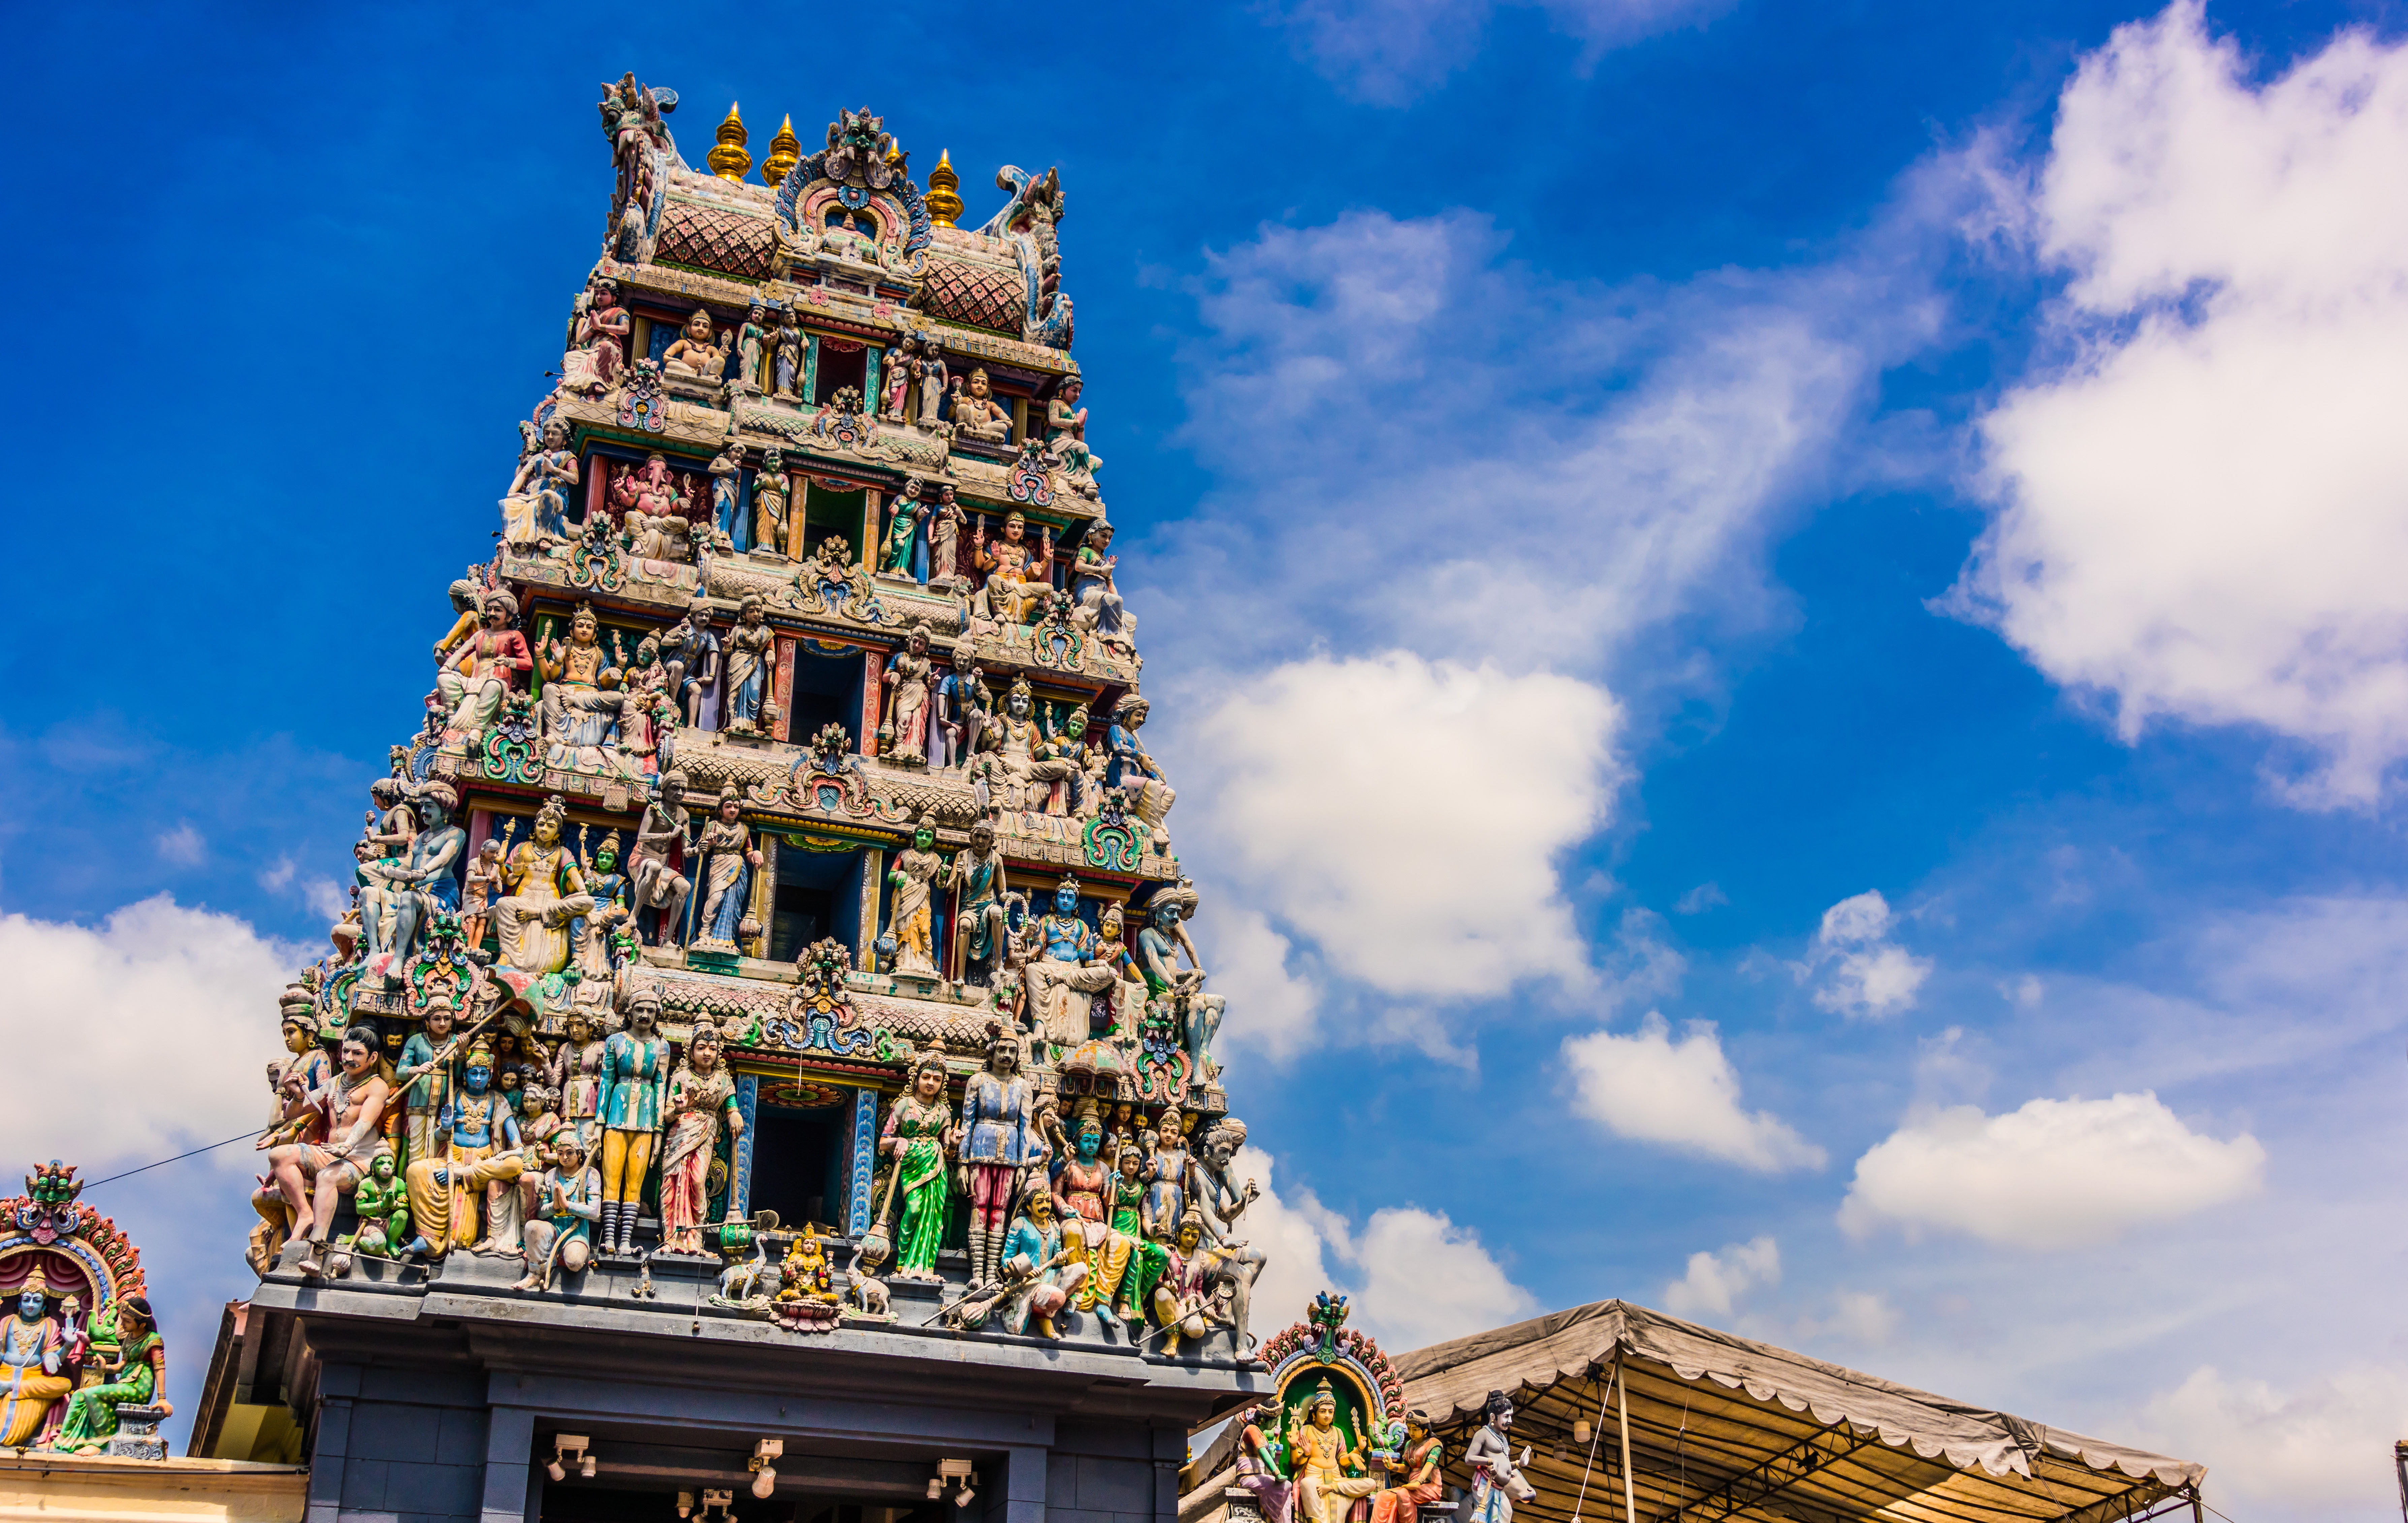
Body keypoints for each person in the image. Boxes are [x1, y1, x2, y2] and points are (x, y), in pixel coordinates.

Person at [265, 1025, 391, 1260]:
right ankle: (305, 1214)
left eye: (357, 1054)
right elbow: (293, 1113)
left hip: (359, 1159)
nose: (348, 1058)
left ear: (373, 1058)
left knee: (327, 1177)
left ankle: (317, 1244)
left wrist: (347, 1146)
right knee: (279, 1156)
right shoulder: (335, 1083)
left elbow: (365, 1122)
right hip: (330, 1153)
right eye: (346, 1052)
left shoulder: (377, 1087)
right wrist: (298, 1094)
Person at [956, 1026, 1045, 1286]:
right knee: (979, 1209)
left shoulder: (1023, 1087)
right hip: (979, 1153)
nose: (1007, 1055)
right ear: (992, 1052)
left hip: (1010, 1155)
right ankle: (976, 1274)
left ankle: (992, 1273)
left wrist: (1020, 1165)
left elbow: (1025, 1126)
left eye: (1012, 1051)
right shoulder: (978, 1081)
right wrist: (962, 1162)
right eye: (1002, 1049)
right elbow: (967, 1122)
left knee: (1000, 1213)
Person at [657, 1018, 742, 1254]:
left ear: (719, 1053)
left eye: (713, 1049)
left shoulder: (724, 1080)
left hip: (706, 1132)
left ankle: (694, 1237)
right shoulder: (681, 1077)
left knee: (696, 1182)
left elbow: (731, 1106)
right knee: (674, 1182)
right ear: (691, 1051)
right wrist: (677, 1109)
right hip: (680, 1133)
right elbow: (666, 1116)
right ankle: (672, 1237)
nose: (707, 1053)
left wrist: (734, 1114)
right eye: (701, 1048)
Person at [597, 995, 672, 1254]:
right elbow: (606, 1080)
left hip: (646, 1121)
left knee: (634, 1183)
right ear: (629, 1013)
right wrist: (599, 1123)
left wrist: (659, 1130)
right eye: (639, 1010)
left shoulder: (662, 1046)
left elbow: (661, 1085)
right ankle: (608, 1238)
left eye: (651, 1011)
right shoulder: (615, 1042)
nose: (645, 1015)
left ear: (657, 1014)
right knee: (611, 1179)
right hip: (616, 1117)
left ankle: (626, 1241)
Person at [46, 1297, 166, 1454]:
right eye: (122, 1320)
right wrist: (105, 1368)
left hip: (139, 1387)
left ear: (142, 1324)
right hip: (125, 1383)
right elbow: (123, 1365)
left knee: (92, 1394)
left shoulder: (153, 1340)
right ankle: (65, 1442)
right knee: (79, 1395)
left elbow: (160, 1367)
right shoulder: (129, 1339)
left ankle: (101, 1441)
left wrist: (162, 1399)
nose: (122, 1324)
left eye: (127, 1321)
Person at [879, 1055, 956, 1282]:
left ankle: (925, 1268)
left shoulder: (944, 1112)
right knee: (913, 1210)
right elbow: (884, 1141)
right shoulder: (904, 1105)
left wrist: (955, 1144)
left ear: (942, 1084)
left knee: (934, 1216)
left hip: (935, 1165)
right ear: (916, 1079)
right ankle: (902, 1265)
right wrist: (899, 1141)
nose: (931, 1082)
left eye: (937, 1079)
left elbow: (947, 1149)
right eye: (926, 1077)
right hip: (911, 1163)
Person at [513, 1130, 600, 1292]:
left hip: (576, 1233)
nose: (565, 1158)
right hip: (553, 1230)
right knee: (532, 1226)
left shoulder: (590, 1174)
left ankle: (566, 1256)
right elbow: (541, 1213)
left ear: (579, 1153)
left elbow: (595, 1212)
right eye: (560, 1154)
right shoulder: (552, 1175)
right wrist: (555, 1207)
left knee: (574, 1263)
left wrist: (568, 1206)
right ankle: (534, 1275)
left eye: (570, 1153)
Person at [1291, 1383, 1381, 1523]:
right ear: (1314, 1414)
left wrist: (1356, 1453)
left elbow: (1342, 1461)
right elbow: (1295, 1463)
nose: (1327, 1415)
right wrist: (1304, 1453)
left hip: (1336, 1480)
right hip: (1315, 1478)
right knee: (1306, 1484)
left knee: (1371, 1484)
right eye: (1323, 1411)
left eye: (1331, 1412)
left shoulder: (1338, 1433)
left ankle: (1331, 1488)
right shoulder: (1307, 1430)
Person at [0, 1274, 70, 1448]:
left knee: (65, 1385)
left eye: (37, 1301)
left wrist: (68, 1346)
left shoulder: (50, 1325)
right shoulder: (8, 1322)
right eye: (27, 1300)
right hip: (4, 1373)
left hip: (32, 1380)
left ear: (43, 1306)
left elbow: (50, 1356)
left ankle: (11, 1388)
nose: (31, 1305)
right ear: (19, 1304)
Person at [1464, 1391, 1531, 1523]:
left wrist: (1518, 1464)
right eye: (1506, 1417)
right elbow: (1469, 1458)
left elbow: (1502, 1465)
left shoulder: (1502, 1437)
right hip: (1485, 1484)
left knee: (1507, 1513)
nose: (1510, 1421)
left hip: (1500, 1488)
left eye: (1511, 1416)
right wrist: (1490, 1461)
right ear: (1493, 1417)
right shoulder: (1482, 1434)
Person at [1368, 1411, 1444, 1523]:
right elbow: (1406, 1468)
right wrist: (1392, 1466)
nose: (1411, 1432)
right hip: (1412, 1486)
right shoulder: (1409, 1445)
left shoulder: (1434, 1444)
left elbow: (1430, 1464)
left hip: (1430, 1486)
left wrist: (1418, 1482)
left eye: (1415, 1429)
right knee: (1382, 1495)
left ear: (1425, 1431)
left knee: (1403, 1494)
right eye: (1409, 1429)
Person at [1235, 1398, 1295, 1523]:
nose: (1275, 1424)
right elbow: (1262, 1453)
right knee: (1286, 1486)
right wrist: (1277, 1474)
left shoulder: (1261, 1434)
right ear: (1263, 1420)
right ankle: (1271, 1519)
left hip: (1258, 1476)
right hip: (1248, 1477)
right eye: (1274, 1420)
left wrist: (1272, 1454)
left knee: (1287, 1492)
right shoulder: (1251, 1429)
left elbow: (1264, 1456)